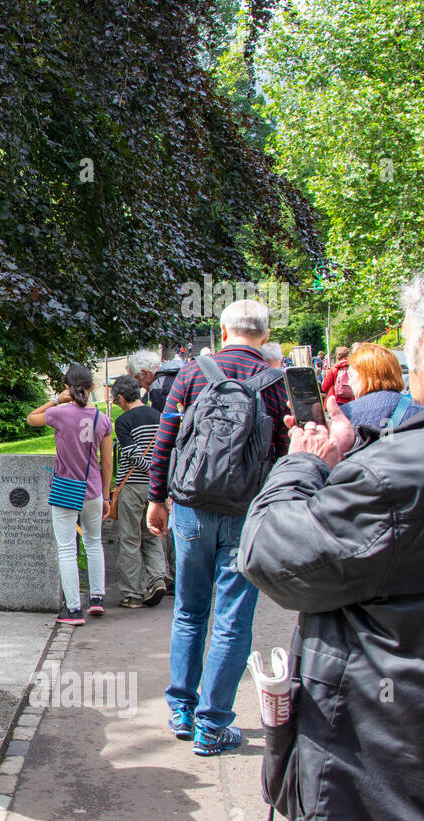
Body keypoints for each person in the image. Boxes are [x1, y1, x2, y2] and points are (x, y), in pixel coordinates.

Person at [237, 264, 424, 821]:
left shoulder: (396, 475)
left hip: (386, 789)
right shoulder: (394, 466)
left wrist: (304, 463)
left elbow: (271, 553)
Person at [146, 299, 289, 755]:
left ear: (223, 331)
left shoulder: (191, 373)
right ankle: (212, 725)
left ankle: (181, 711)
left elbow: (166, 435)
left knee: (189, 610)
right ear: (263, 337)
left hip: (189, 506)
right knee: (233, 619)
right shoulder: (272, 381)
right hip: (245, 509)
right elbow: (283, 451)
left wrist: (156, 498)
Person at [27, 365, 113, 626]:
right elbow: (107, 462)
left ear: (68, 388)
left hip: (66, 488)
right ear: (90, 388)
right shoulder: (102, 419)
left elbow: (31, 418)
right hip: (94, 490)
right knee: (94, 542)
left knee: (66, 549)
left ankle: (73, 609)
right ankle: (97, 598)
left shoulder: (59, 414)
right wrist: (107, 496)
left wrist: (54, 400)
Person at [109, 375, 166, 608]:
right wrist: (158, 473)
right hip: (156, 488)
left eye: (116, 400)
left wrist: (149, 468)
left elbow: (131, 455)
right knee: (152, 535)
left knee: (130, 539)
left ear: (122, 398)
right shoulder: (159, 417)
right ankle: (157, 579)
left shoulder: (123, 421)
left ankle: (132, 595)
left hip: (132, 486)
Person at [338, 342, 421, 428]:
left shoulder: (346, 415)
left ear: (366, 376)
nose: (349, 383)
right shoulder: (419, 410)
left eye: (351, 376)